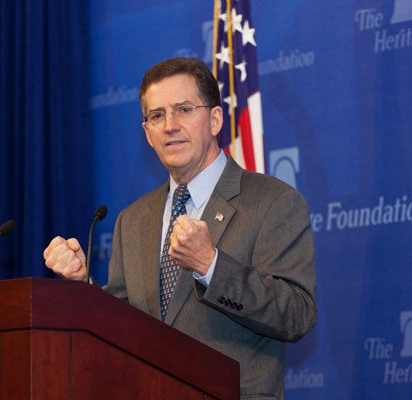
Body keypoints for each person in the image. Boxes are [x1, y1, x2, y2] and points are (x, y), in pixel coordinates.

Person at [43, 57, 317, 399]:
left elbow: (296, 314)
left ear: (215, 119)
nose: (170, 126)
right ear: (147, 133)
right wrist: (82, 285)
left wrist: (211, 265)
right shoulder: (133, 219)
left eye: (184, 110)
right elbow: (120, 325)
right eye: (157, 116)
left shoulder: (274, 201)